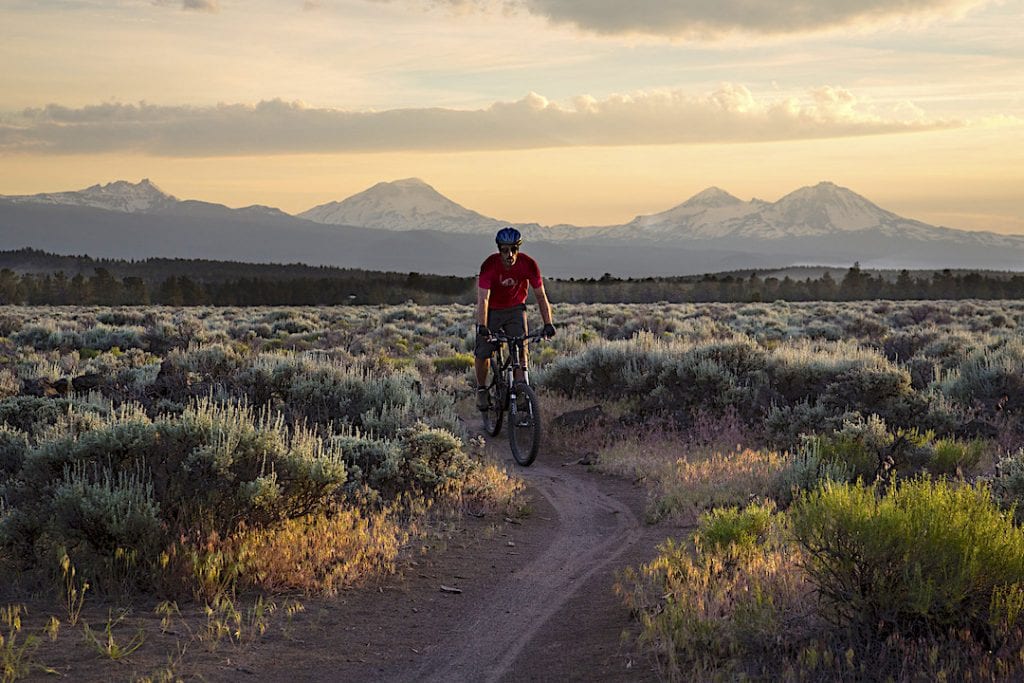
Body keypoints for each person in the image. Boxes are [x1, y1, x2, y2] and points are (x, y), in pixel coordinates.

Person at [475, 226, 556, 410]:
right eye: (505, 250)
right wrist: (483, 325)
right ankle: (481, 390)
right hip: (492, 310)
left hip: (515, 309)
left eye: (514, 249)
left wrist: (548, 323)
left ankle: (521, 393)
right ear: (499, 250)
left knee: (520, 349)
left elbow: (542, 296)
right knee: (483, 351)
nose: (510, 254)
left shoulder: (529, 264)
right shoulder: (489, 265)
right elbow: (483, 299)